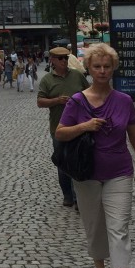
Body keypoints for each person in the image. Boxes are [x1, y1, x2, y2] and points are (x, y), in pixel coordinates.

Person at [55, 43, 135, 268]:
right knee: (95, 226)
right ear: (89, 69)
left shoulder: (123, 100)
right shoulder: (77, 101)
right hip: (86, 174)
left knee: (119, 229)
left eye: (106, 66)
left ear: (113, 68)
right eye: (97, 66)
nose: (102, 70)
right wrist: (85, 126)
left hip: (119, 172)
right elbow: (61, 133)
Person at [37, 46, 88, 208]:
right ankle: (68, 194)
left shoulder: (77, 75)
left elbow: (90, 93)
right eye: (60, 58)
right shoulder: (47, 80)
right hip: (58, 128)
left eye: (66, 58)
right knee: (63, 163)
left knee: (81, 160)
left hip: (80, 126)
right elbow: (40, 102)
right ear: (52, 60)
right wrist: (56, 101)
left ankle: (80, 196)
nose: (64, 61)